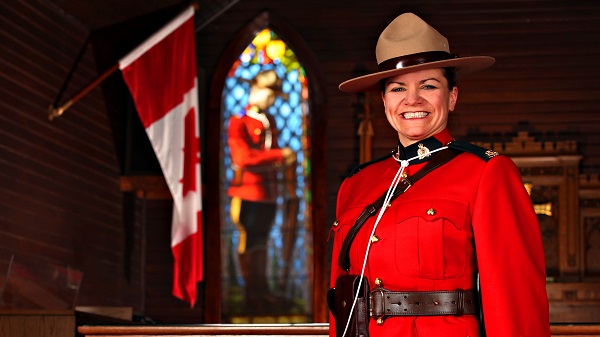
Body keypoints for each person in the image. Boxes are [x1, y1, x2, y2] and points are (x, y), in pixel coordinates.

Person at [328, 13, 550, 337]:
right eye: (397, 88)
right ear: (385, 101)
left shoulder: (486, 172)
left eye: (429, 85)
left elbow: (515, 299)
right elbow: (342, 300)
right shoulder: (356, 184)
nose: (412, 99)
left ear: (452, 96)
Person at [227, 69, 296, 314]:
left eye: (275, 96)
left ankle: (262, 290)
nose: (272, 100)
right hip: (247, 193)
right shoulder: (239, 121)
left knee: (262, 243)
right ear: (255, 89)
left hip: (268, 193)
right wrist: (280, 155)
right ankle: (250, 294)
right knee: (249, 242)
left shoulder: (269, 120)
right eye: (270, 94)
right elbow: (242, 157)